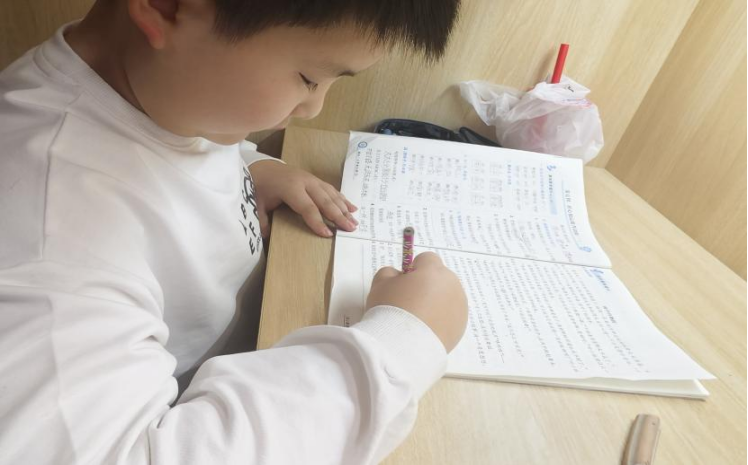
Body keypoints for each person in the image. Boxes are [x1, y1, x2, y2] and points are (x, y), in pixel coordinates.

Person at [0, 1, 468, 463]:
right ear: (165, 7)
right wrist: (401, 346)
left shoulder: (151, 86)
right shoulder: (48, 246)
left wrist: (252, 165)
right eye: (308, 78)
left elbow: (168, 148)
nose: (314, 107)